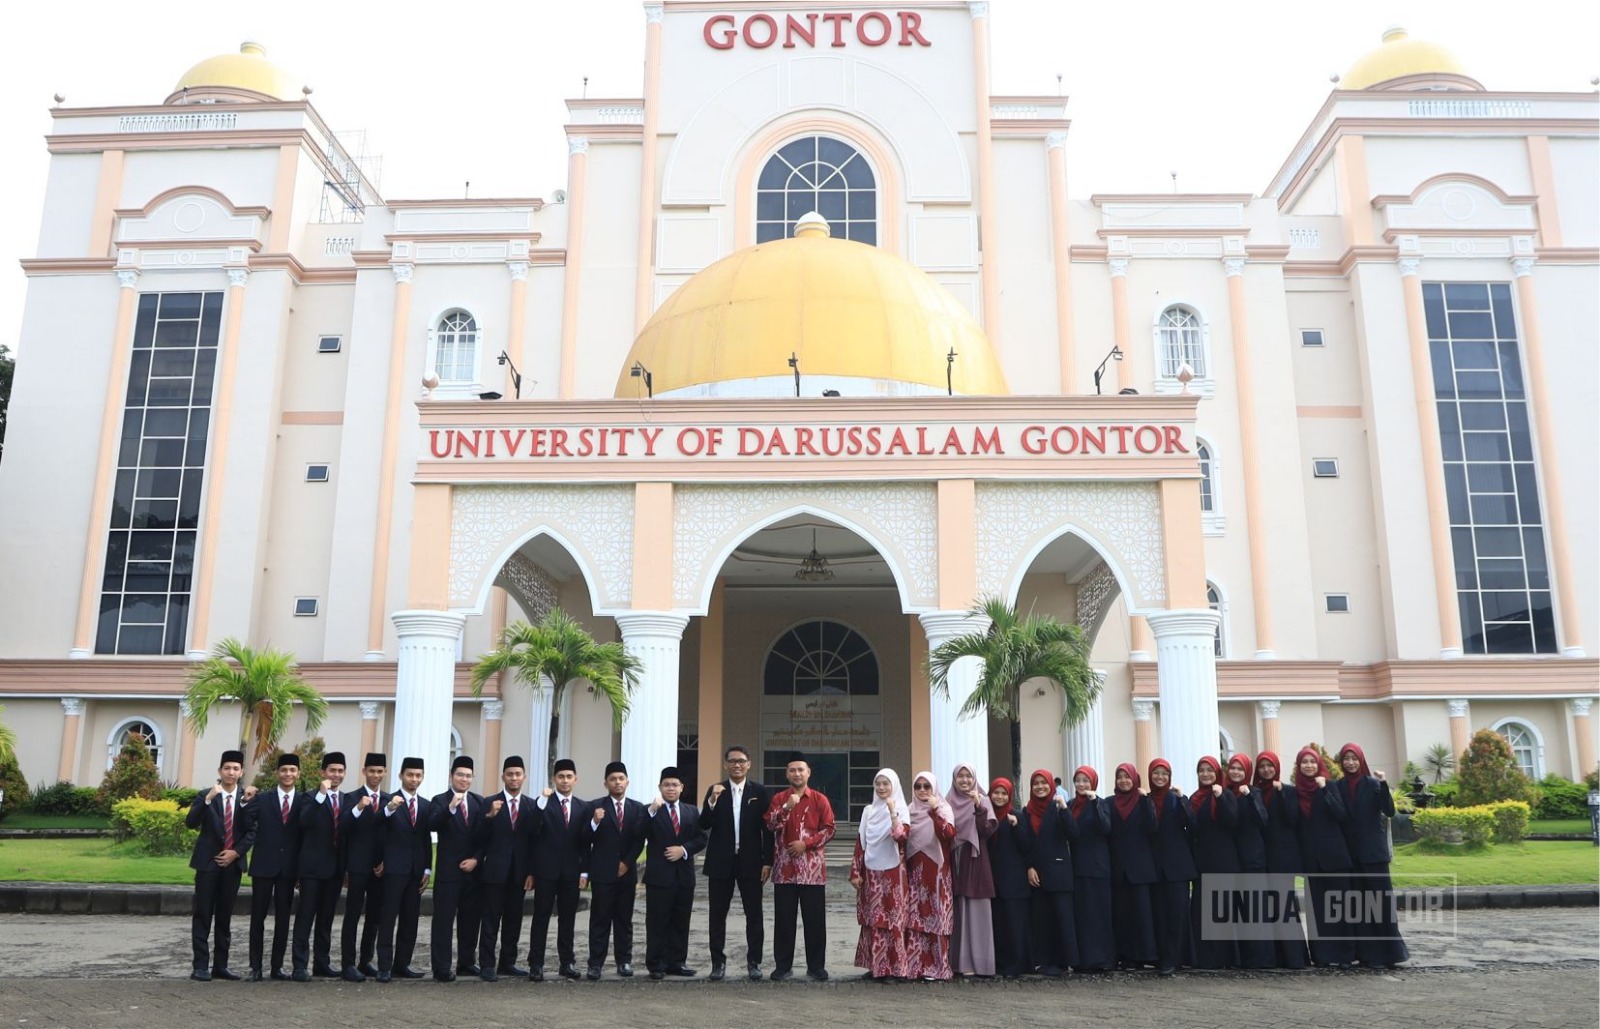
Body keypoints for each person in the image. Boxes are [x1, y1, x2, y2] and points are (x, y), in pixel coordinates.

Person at [700, 744, 774, 981]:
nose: (737, 765)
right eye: (732, 761)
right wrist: (711, 800)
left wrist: (768, 861)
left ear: (749, 764)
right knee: (717, 914)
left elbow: (768, 830)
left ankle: (754, 963)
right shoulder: (716, 790)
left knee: (754, 915)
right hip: (721, 862)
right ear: (726, 764)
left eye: (741, 761)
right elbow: (704, 823)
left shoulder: (759, 792)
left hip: (751, 863)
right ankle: (717, 964)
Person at [764, 754, 836, 982]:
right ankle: (783, 966)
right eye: (792, 770)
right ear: (787, 774)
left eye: (801, 770)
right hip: (785, 872)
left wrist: (807, 843)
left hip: (812, 872)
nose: (797, 773)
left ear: (808, 773)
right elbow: (770, 824)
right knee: (784, 921)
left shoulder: (819, 799)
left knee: (814, 921)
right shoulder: (779, 798)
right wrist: (786, 807)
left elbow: (830, 829)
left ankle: (816, 966)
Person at [1337, 743, 1409, 968]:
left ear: (1361, 760)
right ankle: (1366, 953)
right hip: (1351, 856)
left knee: (1380, 903)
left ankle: (1388, 953)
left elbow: (1388, 810)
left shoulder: (1372, 784)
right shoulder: (1337, 786)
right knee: (1358, 906)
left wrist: (1384, 783)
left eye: (1354, 758)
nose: (1350, 762)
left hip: (1373, 855)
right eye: (1346, 758)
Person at [186, 749, 255, 981]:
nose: (231, 772)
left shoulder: (247, 798)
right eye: (227, 768)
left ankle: (221, 965)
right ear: (220, 771)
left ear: (241, 772)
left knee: (224, 916)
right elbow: (191, 822)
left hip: (232, 865)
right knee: (203, 914)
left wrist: (236, 853)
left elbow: (252, 830)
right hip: (207, 864)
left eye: (236, 769)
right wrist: (207, 801)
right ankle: (200, 966)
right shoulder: (206, 795)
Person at [528, 757, 593, 981]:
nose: (565, 781)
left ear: (576, 779)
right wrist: (541, 804)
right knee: (541, 918)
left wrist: (585, 872)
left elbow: (586, 842)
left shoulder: (584, 807)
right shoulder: (543, 803)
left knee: (568, 919)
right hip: (546, 872)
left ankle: (567, 962)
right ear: (554, 779)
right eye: (560, 777)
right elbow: (533, 833)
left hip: (571, 873)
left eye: (569, 777)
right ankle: (536, 964)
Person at [245, 752, 307, 981]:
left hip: (289, 869)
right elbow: (244, 821)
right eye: (284, 770)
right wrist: (245, 800)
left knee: (283, 919)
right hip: (263, 866)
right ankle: (255, 967)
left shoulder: (304, 800)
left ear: (298, 773)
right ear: (277, 773)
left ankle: (277, 966)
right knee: (257, 918)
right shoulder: (262, 799)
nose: (288, 774)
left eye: (292, 770)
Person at [1293, 747, 1355, 968]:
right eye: (1304, 762)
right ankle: (1322, 955)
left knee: (1339, 906)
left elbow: (1341, 814)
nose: (1308, 765)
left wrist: (1325, 791)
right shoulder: (1296, 792)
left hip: (1335, 857)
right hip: (1312, 859)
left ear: (1319, 765)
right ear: (1298, 766)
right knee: (1317, 909)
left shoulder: (1331, 786)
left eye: (1312, 762)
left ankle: (1345, 954)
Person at [643, 766, 707, 980]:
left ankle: (677, 962)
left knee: (681, 920)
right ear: (660, 787)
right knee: (657, 921)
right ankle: (656, 964)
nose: (670, 788)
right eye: (666, 785)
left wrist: (684, 850)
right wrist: (651, 812)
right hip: (659, 876)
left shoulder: (691, 811)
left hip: (684, 876)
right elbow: (638, 833)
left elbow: (701, 838)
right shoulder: (651, 810)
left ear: (682, 788)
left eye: (674, 785)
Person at [585, 760, 647, 979]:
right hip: (602, 873)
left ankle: (624, 962)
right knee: (599, 919)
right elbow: (585, 838)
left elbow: (639, 840)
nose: (617, 782)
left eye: (621, 779)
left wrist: (627, 862)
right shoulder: (595, 807)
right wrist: (594, 822)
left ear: (627, 782)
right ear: (606, 783)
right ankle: (595, 964)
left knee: (624, 919)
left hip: (626, 872)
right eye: (613, 779)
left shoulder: (638, 808)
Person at [375, 756, 433, 983]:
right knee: (388, 918)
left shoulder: (426, 805)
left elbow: (426, 839)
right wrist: (389, 809)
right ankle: (384, 966)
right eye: (410, 775)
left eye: (418, 775)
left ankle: (403, 964)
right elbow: (376, 826)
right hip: (393, 868)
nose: (414, 779)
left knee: (410, 920)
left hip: (416, 870)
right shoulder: (387, 801)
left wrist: (427, 869)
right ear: (400, 776)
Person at [429, 755, 487, 982]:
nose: (464, 779)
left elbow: (485, 837)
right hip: (448, 871)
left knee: (470, 920)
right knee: (443, 921)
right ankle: (441, 967)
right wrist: (451, 808)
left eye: (468, 775)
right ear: (451, 776)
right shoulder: (440, 800)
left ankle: (466, 962)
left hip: (473, 871)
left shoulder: (479, 802)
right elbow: (432, 825)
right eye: (460, 775)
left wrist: (476, 859)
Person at [479, 756, 537, 980]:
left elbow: (534, 842)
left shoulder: (531, 806)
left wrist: (531, 871)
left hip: (519, 873)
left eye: (518, 774)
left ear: (524, 777)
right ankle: (486, 964)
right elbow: (479, 837)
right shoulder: (489, 803)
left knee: (514, 920)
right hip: (494, 871)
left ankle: (508, 962)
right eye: (510, 774)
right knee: (491, 918)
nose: (514, 778)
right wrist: (489, 817)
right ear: (503, 776)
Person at [291, 751, 347, 981]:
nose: (336, 775)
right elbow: (305, 821)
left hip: (335, 870)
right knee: (306, 917)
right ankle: (299, 965)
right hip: (312, 868)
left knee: (326, 918)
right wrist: (321, 795)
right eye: (332, 770)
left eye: (340, 771)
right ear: (323, 772)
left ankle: (321, 963)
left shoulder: (347, 800)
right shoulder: (309, 797)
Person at [849, 769, 908, 981]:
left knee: (892, 919)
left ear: (894, 785)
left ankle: (895, 969)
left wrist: (893, 813)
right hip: (871, 873)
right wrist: (855, 872)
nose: (882, 788)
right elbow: (861, 843)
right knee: (873, 919)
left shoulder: (902, 808)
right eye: (878, 784)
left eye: (886, 784)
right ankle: (877, 966)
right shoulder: (868, 811)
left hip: (893, 873)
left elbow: (901, 837)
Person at [1253, 751, 1309, 969]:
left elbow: (1292, 818)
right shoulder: (1254, 792)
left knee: (1285, 907)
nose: (1266, 770)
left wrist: (1282, 794)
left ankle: (1294, 957)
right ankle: (1274, 956)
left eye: (1270, 766)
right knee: (1267, 908)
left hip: (1282, 858)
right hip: (1262, 857)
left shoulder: (1287, 790)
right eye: (1262, 766)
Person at [1021, 768, 1078, 976]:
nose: (1040, 787)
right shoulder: (1027, 811)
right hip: (1037, 873)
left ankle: (1066, 961)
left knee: (1062, 917)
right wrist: (1029, 866)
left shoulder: (1058, 807)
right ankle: (1042, 960)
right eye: (1036, 783)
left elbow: (1073, 833)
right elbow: (1026, 842)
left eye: (1043, 783)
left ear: (1051, 786)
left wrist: (1064, 810)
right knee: (1041, 919)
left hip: (1059, 870)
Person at [902, 771, 957, 981]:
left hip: (937, 872)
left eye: (927, 786)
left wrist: (934, 811)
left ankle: (936, 967)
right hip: (915, 871)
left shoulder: (943, 808)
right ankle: (915, 966)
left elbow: (948, 834)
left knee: (935, 917)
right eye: (918, 786)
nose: (923, 790)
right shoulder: (909, 810)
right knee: (916, 917)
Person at [339, 753, 388, 981]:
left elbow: (393, 836)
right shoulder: (351, 798)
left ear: (385, 773)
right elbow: (344, 828)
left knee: (374, 917)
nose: (376, 775)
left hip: (380, 868)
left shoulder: (390, 800)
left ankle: (365, 961)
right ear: (364, 771)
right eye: (372, 771)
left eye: (380, 771)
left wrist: (384, 860)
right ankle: (348, 964)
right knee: (352, 916)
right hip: (357, 866)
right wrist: (359, 807)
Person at [945, 762, 997, 978]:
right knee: (959, 910)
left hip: (975, 858)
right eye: (960, 776)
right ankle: (960, 962)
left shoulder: (983, 800)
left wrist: (978, 808)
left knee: (977, 909)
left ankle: (982, 964)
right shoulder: (947, 801)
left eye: (968, 776)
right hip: (954, 860)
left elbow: (986, 831)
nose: (964, 780)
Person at [1146, 758, 1196, 976]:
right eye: (1156, 773)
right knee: (1160, 914)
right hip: (1154, 867)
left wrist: (1183, 799)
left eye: (1164, 774)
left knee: (1178, 914)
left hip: (1177, 865)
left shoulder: (1177, 799)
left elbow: (1193, 824)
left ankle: (1176, 958)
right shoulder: (1145, 800)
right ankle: (1162, 957)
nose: (1160, 777)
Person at [1224, 752, 1275, 969]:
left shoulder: (1253, 792)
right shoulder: (1224, 792)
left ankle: (1260, 959)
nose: (1236, 772)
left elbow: (1263, 820)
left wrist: (1249, 797)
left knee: (1256, 912)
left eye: (1240, 769)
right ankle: (1240, 958)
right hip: (1231, 860)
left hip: (1253, 859)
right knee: (1237, 912)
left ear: (1247, 772)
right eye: (1233, 768)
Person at [1106, 762, 1158, 971]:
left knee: (1142, 915)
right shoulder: (1109, 803)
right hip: (1118, 868)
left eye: (1127, 777)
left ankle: (1144, 955)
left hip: (1140, 868)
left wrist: (1146, 800)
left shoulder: (1144, 801)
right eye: (1120, 777)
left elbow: (1152, 827)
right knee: (1122, 915)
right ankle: (1125, 955)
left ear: (1135, 779)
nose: (1123, 781)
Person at [1189, 755, 1240, 969]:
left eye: (1210, 770)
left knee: (1222, 910)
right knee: (1203, 910)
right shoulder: (1194, 798)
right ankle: (1205, 958)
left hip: (1224, 860)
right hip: (1202, 859)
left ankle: (1224, 958)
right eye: (1202, 770)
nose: (1206, 774)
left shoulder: (1225, 794)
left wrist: (1220, 798)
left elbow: (1232, 821)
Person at [1067, 766, 1115, 972]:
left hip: (1097, 867)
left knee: (1099, 913)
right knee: (1083, 915)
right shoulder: (1069, 805)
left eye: (1086, 780)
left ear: (1093, 782)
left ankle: (1103, 959)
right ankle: (1084, 960)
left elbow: (1105, 827)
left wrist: (1094, 802)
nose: (1081, 784)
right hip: (1077, 866)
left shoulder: (1101, 803)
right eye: (1078, 780)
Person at [985, 778, 1032, 979]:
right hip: (993, 878)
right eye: (996, 792)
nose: (1000, 797)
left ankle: (1016, 965)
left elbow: (1027, 846)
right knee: (999, 924)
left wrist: (1016, 827)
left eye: (1004, 793)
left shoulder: (1017, 816)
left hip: (1014, 880)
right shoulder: (985, 816)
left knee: (1015, 923)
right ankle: (1000, 963)